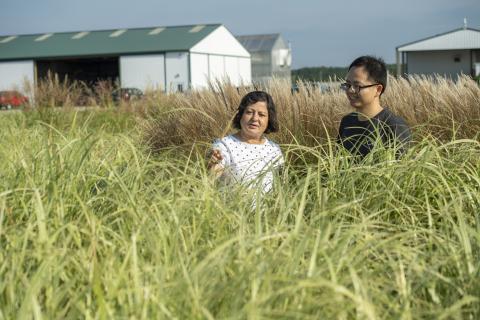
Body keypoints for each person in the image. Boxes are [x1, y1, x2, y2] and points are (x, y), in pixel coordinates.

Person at [208, 91, 284, 193]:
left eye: (261, 114)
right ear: (240, 115)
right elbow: (211, 178)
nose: (255, 118)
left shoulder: (274, 149)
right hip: (233, 208)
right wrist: (212, 165)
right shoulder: (224, 145)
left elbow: (280, 187)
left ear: (269, 119)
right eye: (249, 112)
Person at [337, 56, 412, 159]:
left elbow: (403, 169)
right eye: (348, 85)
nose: (350, 90)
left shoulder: (393, 125)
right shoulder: (347, 122)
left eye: (357, 86)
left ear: (378, 89)